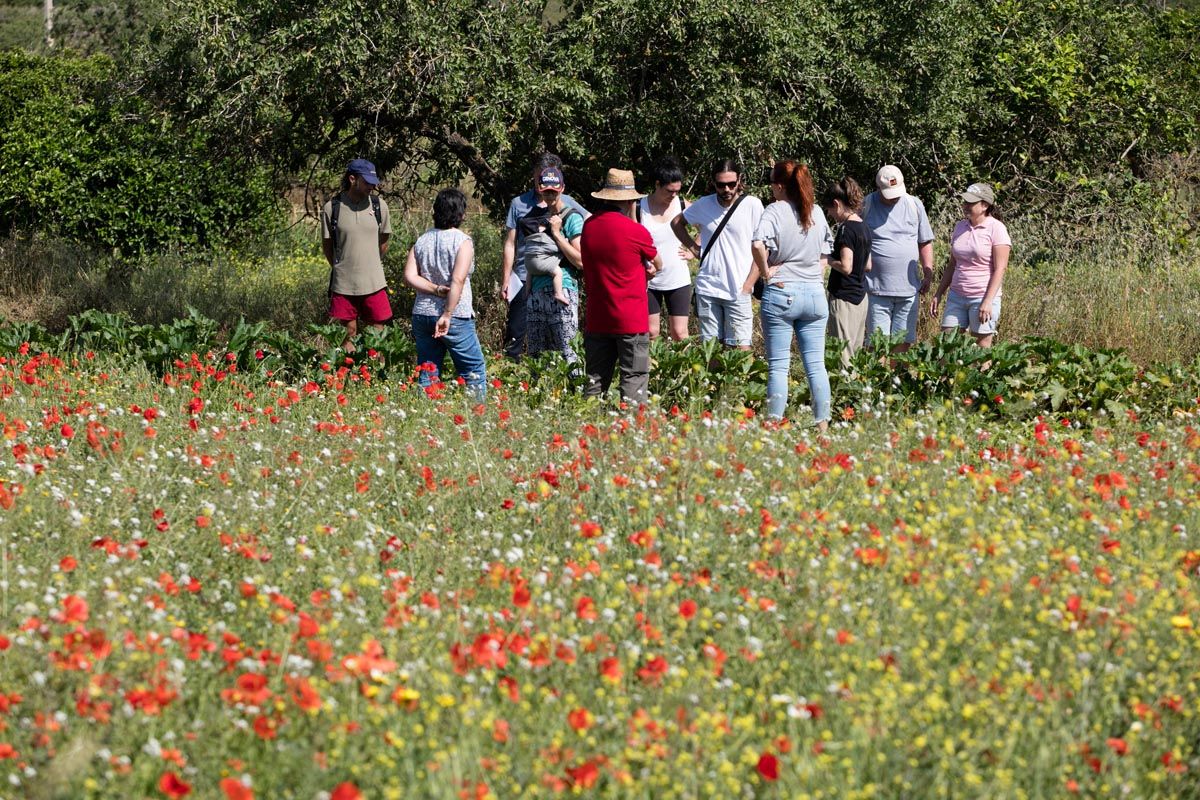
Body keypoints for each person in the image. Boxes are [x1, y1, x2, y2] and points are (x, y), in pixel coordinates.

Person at [752, 160, 834, 429]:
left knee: (778, 366)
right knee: (816, 365)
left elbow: (757, 244)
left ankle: (773, 426)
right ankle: (823, 426)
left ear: (778, 186)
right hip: (814, 293)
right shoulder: (817, 211)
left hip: (783, 291)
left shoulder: (774, 210)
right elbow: (826, 251)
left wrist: (766, 272)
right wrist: (816, 273)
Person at [581, 168, 663, 403]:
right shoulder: (635, 231)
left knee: (595, 379)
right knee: (634, 378)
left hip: (598, 317)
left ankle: (588, 425)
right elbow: (659, 262)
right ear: (630, 200)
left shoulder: (589, 226)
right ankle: (631, 430)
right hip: (630, 318)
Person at [500, 153, 589, 359]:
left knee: (564, 344)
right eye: (540, 179)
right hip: (525, 277)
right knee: (521, 336)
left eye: (552, 187)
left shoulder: (568, 205)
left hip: (558, 278)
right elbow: (510, 243)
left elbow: (588, 225)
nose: (548, 193)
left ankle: (568, 386)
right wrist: (506, 279)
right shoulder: (518, 204)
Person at [671, 159, 763, 350]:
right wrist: (695, 249)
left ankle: (739, 382)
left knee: (741, 351)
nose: (727, 189)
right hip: (708, 288)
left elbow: (763, 247)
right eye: (721, 185)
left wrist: (748, 285)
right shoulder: (704, 204)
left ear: (739, 181)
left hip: (738, 289)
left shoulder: (753, 205)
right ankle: (712, 381)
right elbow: (676, 223)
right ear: (714, 183)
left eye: (731, 184)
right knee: (710, 351)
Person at [402, 188, 486, 396]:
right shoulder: (462, 241)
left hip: (422, 313)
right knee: (473, 370)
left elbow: (410, 276)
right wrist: (447, 313)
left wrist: (434, 289)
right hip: (455, 315)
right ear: (461, 214)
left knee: (428, 370)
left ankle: (424, 420)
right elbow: (457, 279)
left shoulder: (422, 240)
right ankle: (476, 420)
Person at [320, 158, 393, 349]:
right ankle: (350, 376)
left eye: (373, 182)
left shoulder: (379, 206)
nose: (372, 186)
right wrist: (342, 267)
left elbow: (384, 241)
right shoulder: (332, 208)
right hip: (344, 284)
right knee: (347, 335)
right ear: (353, 179)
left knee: (378, 333)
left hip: (374, 281)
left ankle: (376, 373)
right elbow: (327, 245)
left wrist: (370, 262)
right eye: (367, 181)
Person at [929, 182, 1011, 348]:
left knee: (982, 347)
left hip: (982, 296)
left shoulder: (997, 228)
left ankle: (983, 374)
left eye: (970, 203)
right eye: (965, 202)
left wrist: (987, 301)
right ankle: (947, 375)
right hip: (956, 296)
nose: (965, 206)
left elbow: (1000, 268)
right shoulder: (960, 227)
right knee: (947, 343)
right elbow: (952, 264)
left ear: (985, 205)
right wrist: (939, 293)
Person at [862, 165, 934, 352]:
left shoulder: (914, 204)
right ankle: (878, 380)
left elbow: (924, 241)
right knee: (876, 344)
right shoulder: (867, 204)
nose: (893, 196)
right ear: (878, 188)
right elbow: (857, 238)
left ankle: (897, 380)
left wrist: (928, 272)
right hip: (876, 289)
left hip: (908, 290)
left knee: (903, 343)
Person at [520, 167, 585, 367]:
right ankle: (541, 396)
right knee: (537, 356)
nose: (550, 195)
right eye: (546, 190)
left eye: (554, 191)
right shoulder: (537, 218)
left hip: (563, 289)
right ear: (539, 189)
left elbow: (581, 261)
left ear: (562, 188)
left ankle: (575, 395)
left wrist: (557, 234)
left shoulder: (572, 217)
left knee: (568, 353)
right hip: (536, 291)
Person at [640, 157, 693, 341]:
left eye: (677, 191)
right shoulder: (639, 206)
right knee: (651, 332)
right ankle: (650, 370)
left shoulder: (683, 204)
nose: (673, 195)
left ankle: (685, 370)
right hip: (649, 280)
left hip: (677, 278)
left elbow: (707, 224)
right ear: (657, 184)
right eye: (670, 190)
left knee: (680, 333)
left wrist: (694, 250)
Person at [822, 177, 872, 368]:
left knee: (843, 353)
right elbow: (867, 265)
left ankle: (847, 394)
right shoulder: (864, 227)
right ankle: (857, 393)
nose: (830, 214)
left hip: (844, 298)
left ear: (836, 204)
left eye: (829, 210)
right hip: (861, 297)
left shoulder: (846, 229)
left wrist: (826, 259)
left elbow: (846, 266)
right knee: (856, 351)